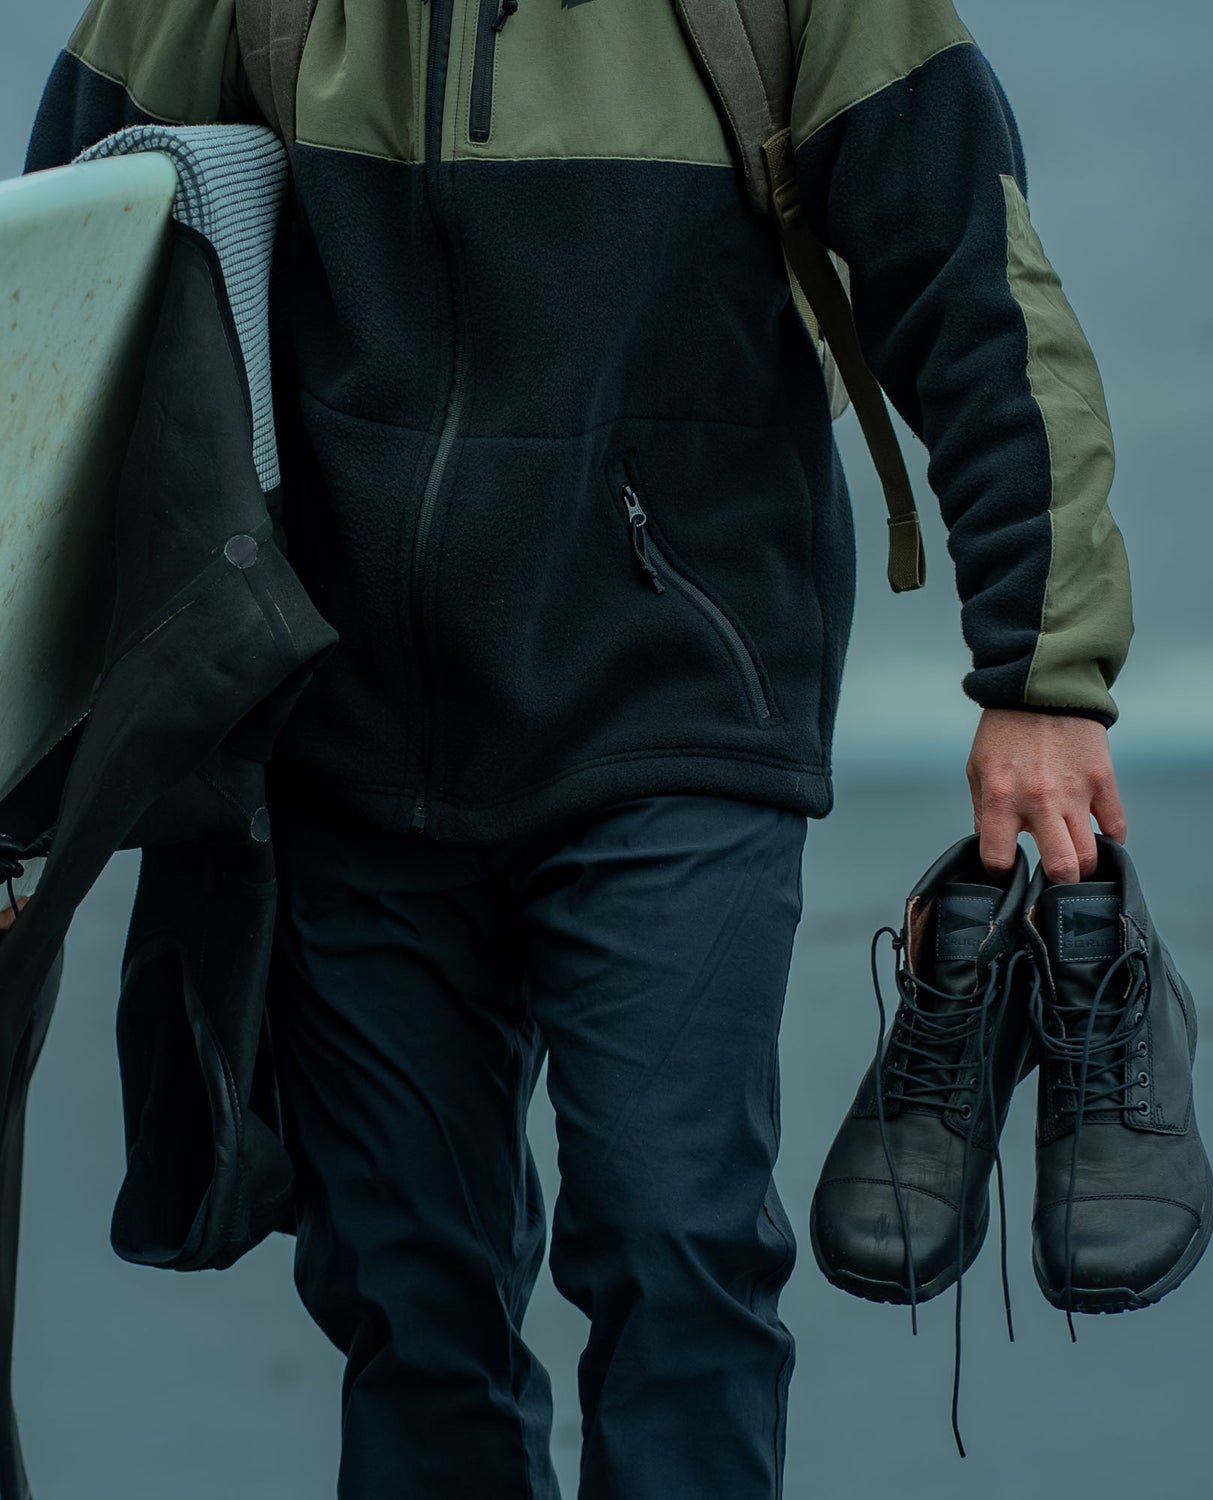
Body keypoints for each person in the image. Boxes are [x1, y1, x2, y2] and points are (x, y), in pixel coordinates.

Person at [23, 0, 1133, 1494]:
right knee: (411, 1299)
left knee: (678, 1250)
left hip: (676, 708)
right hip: (343, 732)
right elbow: (57, 298)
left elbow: (975, 285)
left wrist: (1045, 678)